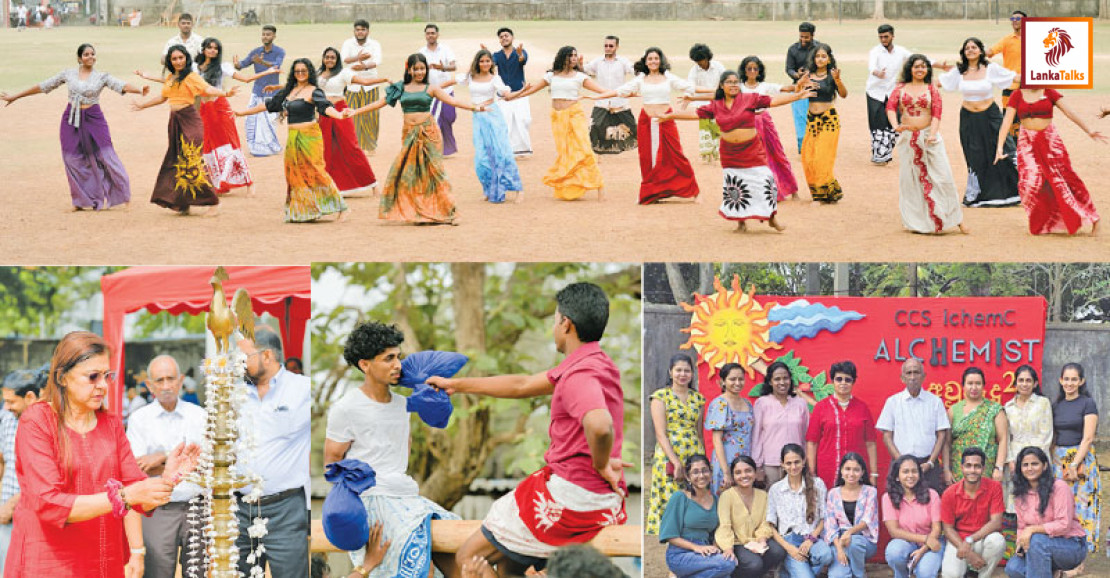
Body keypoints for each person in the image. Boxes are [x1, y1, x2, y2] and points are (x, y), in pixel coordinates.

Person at [428, 282, 629, 575]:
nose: (553, 327)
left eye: (554, 319)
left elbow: (599, 426)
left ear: (566, 324)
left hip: (574, 497)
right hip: (599, 498)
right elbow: (521, 384)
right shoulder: (595, 363)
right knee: (511, 568)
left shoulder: (579, 375)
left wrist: (601, 465)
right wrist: (456, 385)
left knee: (467, 559)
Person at [3, 331, 199, 575]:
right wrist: (124, 496)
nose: (103, 386)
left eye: (107, 376)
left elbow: (137, 489)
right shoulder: (38, 420)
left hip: (103, 560)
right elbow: (48, 503)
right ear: (63, 377)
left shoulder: (110, 424)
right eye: (93, 377)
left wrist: (168, 479)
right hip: (49, 561)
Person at [324, 321, 459, 578]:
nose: (398, 364)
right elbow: (331, 464)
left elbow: (402, 453)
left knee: (461, 554)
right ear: (365, 364)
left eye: (398, 356)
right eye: (388, 358)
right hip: (372, 500)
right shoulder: (346, 408)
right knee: (422, 568)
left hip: (408, 496)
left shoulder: (403, 404)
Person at [0, 43, 146, 211]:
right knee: (71, 159)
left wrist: (140, 90)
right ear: (79, 58)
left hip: (94, 119)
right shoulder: (68, 74)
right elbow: (43, 86)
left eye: (92, 54)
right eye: (86, 54)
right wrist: (16, 97)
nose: (90, 57)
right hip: (71, 119)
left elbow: (120, 85)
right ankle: (81, 200)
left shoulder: (101, 77)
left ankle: (121, 193)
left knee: (107, 156)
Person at [665, 70, 810, 231]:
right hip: (730, 153)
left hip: (752, 150)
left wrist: (796, 96)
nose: (733, 85)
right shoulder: (716, 105)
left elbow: (773, 101)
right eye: (729, 82)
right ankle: (741, 222)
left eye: (736, 82)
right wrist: (670, 116)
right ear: (722, 85)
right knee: (736, 187)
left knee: (764, 182)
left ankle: (771, 217)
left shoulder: (750, 98)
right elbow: (694, 114)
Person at [233, 326, 312, 578]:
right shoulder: (235, 394)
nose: (240, 363)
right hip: (241, 510)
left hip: (286, 510)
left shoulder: (303, 390)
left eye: (245, 357)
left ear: (267, 356)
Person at [235, 58, 352, 223]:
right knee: (294, 173)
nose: (300, 74)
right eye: (297, 71)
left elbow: (325, 107)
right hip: (293, 137)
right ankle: (305, 210)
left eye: (303, 71)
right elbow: (268, 105)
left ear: (309, 72)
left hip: (310, 136)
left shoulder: (314, 91)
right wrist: (242, 113)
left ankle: (341, 208)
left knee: (316, 171)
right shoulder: (289, 91)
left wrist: (339, 115)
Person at [125, 354, 206, 577]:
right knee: (157, 573)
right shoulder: (139, 419)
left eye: (171, 379)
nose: (166, 385)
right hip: (157, 510)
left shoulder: (199, 416)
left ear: (180, 381)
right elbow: (139, 469)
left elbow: (204, 464)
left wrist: (161, 456)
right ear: (149, 385)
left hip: (196, 507)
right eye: (159, 381)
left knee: (199, 573)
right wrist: (183, 465)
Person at [378, 53, 482, 224]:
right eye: (416, 68)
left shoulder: (431, 88)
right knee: (412, 174)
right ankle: (420, 212)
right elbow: (380, 103)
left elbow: (453, 102)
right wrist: (355, 111)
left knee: (436, 171)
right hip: (409, 133)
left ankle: (451, 213)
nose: (419, 72)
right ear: (409, 69)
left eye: (422, 68)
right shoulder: (400, 87)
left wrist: (476, 107)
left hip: (429, 133)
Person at [132, 45, 228, 215]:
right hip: (175, 121)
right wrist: (142, 105)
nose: (178, 61)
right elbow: (162, 97)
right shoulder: (171, 78)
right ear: (170, 61)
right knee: (177, 159)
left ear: (186, 59)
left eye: (181, 58)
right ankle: (182, 203)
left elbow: (207, 89)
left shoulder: (192, 77)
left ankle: (213, 202)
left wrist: (225, 93)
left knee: (192, 160)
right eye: (174, 59)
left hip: (190, 119)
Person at [995, 87, 1105, 236]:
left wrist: (1089, 130)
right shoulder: (1017, 95)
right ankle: (1046, 222)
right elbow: (1006, 121)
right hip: (1027, 142)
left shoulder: (1049, 92)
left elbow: (1070, 113)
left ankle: (1094, 218)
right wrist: (1000, 147)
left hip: (1050, 141)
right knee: (1029, 183)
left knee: (1066, 180)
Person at [604, 47, 706, 204]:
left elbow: (690, 88)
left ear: (661, 61)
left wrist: (717, 91)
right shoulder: (640, 79)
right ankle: (651, 193)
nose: (653, 61)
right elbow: (620, 91)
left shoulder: (668, 77)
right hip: (646, 121)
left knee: (676, 155)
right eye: (650, 59)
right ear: (645, 61)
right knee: (647, 158)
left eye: (656, 58)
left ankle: (693, 191)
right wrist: (596, 96)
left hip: (666, 120)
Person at [506, 46, 608, 201]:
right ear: (563, 57)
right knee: (565, 152)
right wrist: (516, 95)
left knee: (584, 149)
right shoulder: (551, 76)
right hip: (557, 117)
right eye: (571, 56)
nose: (574, 58)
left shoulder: (580, 77)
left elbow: (602, 91)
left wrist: (617, 94)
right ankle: (570, 186)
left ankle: (599, 186)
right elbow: (532, 90)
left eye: (575, 56)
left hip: (575, 115)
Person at [886, 55, 968, 235]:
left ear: (928, 70)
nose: (920, 70)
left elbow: (937, 113)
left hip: (929, 138)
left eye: (923, 67)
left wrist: (931, 134)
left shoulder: (932, 89)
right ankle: (916, 222)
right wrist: (895, 126)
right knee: (910, 180)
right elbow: (890, 107)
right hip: (908, 138)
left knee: (942, 177)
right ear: (910, 69)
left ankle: (957, 220)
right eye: (916, 67)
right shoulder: (900, 88)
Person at [936, 37, 1020, 208]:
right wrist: (913, 83)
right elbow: (939, 83)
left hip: (991, 116)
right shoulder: (959, 71)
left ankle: (1015, 192)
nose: (971, 50)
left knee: (1005, 149)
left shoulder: (991, 68)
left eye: (974, 47)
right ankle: (979, 195)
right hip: (969, 118)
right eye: (967, 48)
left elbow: (1014, 77)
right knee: (975, 155)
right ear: (963, 52)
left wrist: (1039, 76)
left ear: (981, 51)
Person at [193, 37, 271, 195]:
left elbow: (246, 79)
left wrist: (268, 71)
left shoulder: (223, 67)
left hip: (220, 109)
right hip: (204, 110)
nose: (213, 50)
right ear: (203, 49)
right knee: (208, 146)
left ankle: (249, 183)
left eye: (216, 48)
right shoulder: (195, 68)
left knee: (231, 145)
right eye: (210, 47)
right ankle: (218, 183)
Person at [1005, 447, 1088, 578]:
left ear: (1044, 466)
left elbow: (1064, 524)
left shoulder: (1059, 487)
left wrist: (1032, 529)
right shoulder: (1020, 494)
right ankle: (1055, 574)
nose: (1030, 468)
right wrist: (1020, 544)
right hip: (1037, 546)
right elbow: (1022, 527)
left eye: (1035, 464)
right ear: (1020, 469)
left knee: (1037, 541)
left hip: (1071, 545)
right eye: (1025, 465)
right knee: (1013, 568)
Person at [454, 49, 524, 203]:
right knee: (482, 158)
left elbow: (507, 95)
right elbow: (455, 80)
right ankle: (489, 189)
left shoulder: (495, 78)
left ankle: (518, 189)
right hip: (478, 118)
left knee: (502, 153)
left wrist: (522, 90)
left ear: (492, 63)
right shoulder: (470, 77)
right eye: (482, 61)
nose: (485, 64)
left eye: (488, 61)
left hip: (493, 116)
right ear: (477, 62)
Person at [316, 46, 388, 197]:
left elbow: (364, 82)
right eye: (327, 57)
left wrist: (384, 79)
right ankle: (327, 186)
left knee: (351, 146)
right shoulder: (317, 74)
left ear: (337, 60)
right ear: (323, 59)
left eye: (332, 57)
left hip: (341, 111)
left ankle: (373, 184)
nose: (329, 60)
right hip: (324, 112)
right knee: (325, 148)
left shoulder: (344, 73)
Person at [646, 354, 705, 535]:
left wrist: (702, 458)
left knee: (694, 492)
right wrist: (676, 461)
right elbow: (660, 433)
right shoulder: (660, 396)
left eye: (687, 370)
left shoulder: (698, 399)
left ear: (692, 374)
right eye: (678, 370)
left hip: (693, 451)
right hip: (669, 452)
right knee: (671, 493)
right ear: (671, 372)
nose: (682, 374)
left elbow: (699, 433)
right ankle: (670, 534)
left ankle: (691, 530)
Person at [876, 358, 951, 494]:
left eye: (916, 373)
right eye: (908, 373)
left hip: (928, 466)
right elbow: (887, 436)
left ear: (923, 377)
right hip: (900, 464)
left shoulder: (935, 402)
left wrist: (931, 462)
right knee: (898, 504)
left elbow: (941, 436)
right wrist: (901, 462)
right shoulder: (892, 402)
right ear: (902, 378)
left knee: (930, 505)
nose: (912, 377)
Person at [1049, 363, 1099, 554]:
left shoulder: (1087, 403)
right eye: (1066, 379)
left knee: (1082, 509)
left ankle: (1081, 558)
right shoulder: (1056, 406)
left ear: (1081, 381)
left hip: (1080, 461)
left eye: (1074, 379)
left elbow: (1088, 438)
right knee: (1061, 509)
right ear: (1061, 380)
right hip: (1058, 462)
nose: (1069, 383)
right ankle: (1064, 555)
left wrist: (1074, 464)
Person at [659, 454, 736, 578]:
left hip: (706, 551)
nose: (701, 475)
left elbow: (717, 531)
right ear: (688, 477)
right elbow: (669, 535)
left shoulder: (716, 500)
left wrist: (715, 547)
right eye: (695, 472)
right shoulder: (680, 498)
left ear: (710, 473)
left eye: (704, 471)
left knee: (725, 573)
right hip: (680, 554)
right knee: (727, 564)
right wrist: (696, 547)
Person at [805, 361, 878, 491]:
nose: (843, 383)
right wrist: (811, 473)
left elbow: (870, 443)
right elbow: (812, 442)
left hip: (855, 471)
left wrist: (873, 473)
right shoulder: (821, 408)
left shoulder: (862, 408)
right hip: (828, 469)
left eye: (847, 380)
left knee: (854, 505)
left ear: (853, 382)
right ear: (832, 381)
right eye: (839, 379)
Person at [738, 56, 802, 202]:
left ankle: (791, 189)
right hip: (747, 124)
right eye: (749, 68)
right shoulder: (739, 87)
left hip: (765, 122)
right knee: (755, 158)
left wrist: (800, 85)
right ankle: (764, 192)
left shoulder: (764, 86)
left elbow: (785, 88)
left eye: (755, 68)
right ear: (744, 71)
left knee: (777, 154)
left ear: (759, 70)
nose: (753, 71)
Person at [0, 368, 44, 574]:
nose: (6, 407)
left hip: (35, 516)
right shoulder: (7, 418)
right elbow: (3, 461)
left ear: (30, 397)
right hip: (6, 516)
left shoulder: (47, 425)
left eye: (11, 402)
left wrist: (11, 503)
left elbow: (40, 478)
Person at [767, 444, 833, 578]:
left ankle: (791, 571)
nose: (793, 467)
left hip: (811, 538)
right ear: (782, 464)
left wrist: (811, 540)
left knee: (826, 556)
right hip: (789, 540)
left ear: (803, 461)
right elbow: (770, 525)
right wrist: (788, 548)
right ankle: (794, 567)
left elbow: (823, 518)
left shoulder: (817, 484)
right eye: (788, 463)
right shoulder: (776, 489)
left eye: (797, 462)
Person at [939, 447, 1006, 578]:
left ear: (983, 468)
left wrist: (970, 540)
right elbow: (948, 529)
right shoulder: (949, 493)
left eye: (977, 466)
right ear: (962, 467)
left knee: (998, 541)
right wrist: (967, 551)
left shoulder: (994, 487)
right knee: (951, 575)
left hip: (982, 538)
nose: (972, 470)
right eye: (968, 466)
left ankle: (980, 575)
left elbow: (996, 523)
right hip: (958, 541)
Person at [715, 455, 785, 577]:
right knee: (754, 564)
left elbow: (766, 522)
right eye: (738, 473)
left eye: (748, 470)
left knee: (778, 552)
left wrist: (761, 540)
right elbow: (724, 525)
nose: (744, 476)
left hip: (757, 540)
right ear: (733, 476)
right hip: (736, 542)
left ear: (755, 472)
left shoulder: (763, 495)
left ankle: (756, 574)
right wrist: (728, 548)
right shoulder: (726, 496)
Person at [883, 455, 944, 578]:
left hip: (931, 545)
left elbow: (937, 529)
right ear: (897, 476)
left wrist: (923, 549)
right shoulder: (888, 497)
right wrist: (925, 539)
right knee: (894, 552)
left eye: (914, 471)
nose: (910, 475)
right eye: (905, 472)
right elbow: (894, 531)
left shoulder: (932, 494)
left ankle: (919, 566)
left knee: (925, 573)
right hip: (906, 543)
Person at [801, 43, 847, 204]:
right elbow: (798, 92)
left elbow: (843, 94)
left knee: (822, 157)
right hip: (812, 121)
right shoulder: (808, 75)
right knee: (808, 158)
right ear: (813, 59)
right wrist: (802, 84)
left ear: (828, 59)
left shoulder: (832, 75)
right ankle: (831, 192)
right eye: (817, 56)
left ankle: (820, 197)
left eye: (823, 56)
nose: (820, 59)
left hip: (829, 120)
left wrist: (838, 80)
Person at [1003, 365, 1053, 511]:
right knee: (1016, 499)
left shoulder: (1043, 403)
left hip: (1038, 457)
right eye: (1021, 380)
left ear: (1035, 383)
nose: (1024, 384)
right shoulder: (1008, 407)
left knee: (1038, 498)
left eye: (1028, 380)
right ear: (1015, 383)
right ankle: (1015, 532)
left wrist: (1034, 461)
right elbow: (1006, 437)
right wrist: (1011, 460)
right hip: (1015, 459)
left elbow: (1046, 434)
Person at [751, 361, 809, 485]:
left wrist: (806, 461)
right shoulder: (762, 403)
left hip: (796, 464)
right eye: (777, 379)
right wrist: (757, 466)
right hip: (771, 465)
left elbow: (806, 435)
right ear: (770, 382)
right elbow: (756, 436)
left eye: (785, 378)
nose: (782, 382)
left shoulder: (800, 403)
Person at [947, 367, 1008, 483]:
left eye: (978, 384)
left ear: (983, 386)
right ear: (963, 386)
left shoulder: (994, 410)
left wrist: (998, 467)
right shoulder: (953, 410)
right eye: (970, 383)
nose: (974, 387)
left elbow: (1003, 439)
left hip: (986, 469)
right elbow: (947, 443)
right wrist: (947, 469)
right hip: (959, 469)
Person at [824, 453, 879, 578]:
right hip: (839, 542)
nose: (851, 474)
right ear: (841, 471)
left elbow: (867, 520)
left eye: (856, 470)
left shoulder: (870, 491)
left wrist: (849, 533)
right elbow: (830, 526)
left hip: (864, 539)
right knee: (837, 576)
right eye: (847, 469)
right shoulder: (833, 494)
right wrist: (839, 549)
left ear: (862, 472)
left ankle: (859, 574)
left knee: (854, 542)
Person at [235, 25, 285, 157]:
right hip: (257, 91)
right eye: (263, 34)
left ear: (274, 36)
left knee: (269, 122)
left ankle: (270, 147)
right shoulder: (255, 52)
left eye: (268, 34)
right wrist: (237, 65)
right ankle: (256, 148)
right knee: (251, 119)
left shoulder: (280, 52)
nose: (265, 37)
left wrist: (261, 61)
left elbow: (276, 67)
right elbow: (243, 64)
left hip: (272, 92)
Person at [583, 36, 636, 155]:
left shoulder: (623, 62)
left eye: (611, 46)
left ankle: (618, 148)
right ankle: (596, 152)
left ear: (617, 47)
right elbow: (585, 70)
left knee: (630, 128)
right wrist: (580, 65)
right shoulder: (597, 61)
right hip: (601, 102)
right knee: (595, 127)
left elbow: (634, 71)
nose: (607, 48)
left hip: (619, 102)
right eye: (605, 45)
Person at [867, 24, 912, 165]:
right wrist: (877, 73)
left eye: (886, 36)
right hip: (875, 92)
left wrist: (940, 65)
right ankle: (879, 155)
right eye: (880, 37)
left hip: (893, 93)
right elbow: (871, 67)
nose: (883, 39)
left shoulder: (901, 51)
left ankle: (885, 152)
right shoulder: (875, 51)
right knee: (877, 124)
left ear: (893, 36)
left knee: (894, 124)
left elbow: (917, 59)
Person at [705, 363, 753, 494]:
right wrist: (726, 472)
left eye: (741, 379)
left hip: (745, 462)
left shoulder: (748, 404)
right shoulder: (720, 404)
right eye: (732, 379)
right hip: (725, 461)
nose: (737, 383)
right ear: (722, 382)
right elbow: (717, 440)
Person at [340, 19, 384, 155]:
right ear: (354, 31)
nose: (360, 32)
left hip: (370, 84)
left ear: (367, 31)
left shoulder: (374, 44)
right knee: (353, 115)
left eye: (363, 29)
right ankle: (356, 146)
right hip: (352, 84)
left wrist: (364, 66)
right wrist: (357, 58)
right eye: (358, 29)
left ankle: (371, 146)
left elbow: (377, 61)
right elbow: (344, 59)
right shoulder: (348, 43)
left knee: (371, 115)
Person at [491, 28, 532, 158]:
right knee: (504, 122)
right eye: (501, 37)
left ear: (512, 38)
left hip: (520, 92)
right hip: (504, 94)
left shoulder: (520, 52)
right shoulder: (497, 55)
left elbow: (522, 60)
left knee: (523, 120)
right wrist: (485, 54)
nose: (504, 38)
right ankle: (506, 150)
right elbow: (491, 65)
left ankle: (523, 149)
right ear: (499, 40)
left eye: (506, 36)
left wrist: (519, 55)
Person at [420, 23, 459, 157]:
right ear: (425, 35)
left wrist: (442, 68)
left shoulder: (445, 49)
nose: (430, 35)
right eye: (428, 33)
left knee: (449, 117)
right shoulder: (421, 52)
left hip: (446, 90)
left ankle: (446, 146)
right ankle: (435, 149)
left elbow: (454, 67)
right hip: (429, 92)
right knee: (432, 121)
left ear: (438, 35)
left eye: (433, 33)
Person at [686, 44, 726, 163]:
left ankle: (718, 152)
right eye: (697, 62)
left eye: (701, 61)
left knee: (718, 126)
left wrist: (718, 92)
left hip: (718, 101)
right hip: (702, 102)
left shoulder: (718, 66)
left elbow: (726, 81)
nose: (700, 64)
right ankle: (707, 154)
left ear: (707, 58)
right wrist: (712, 90)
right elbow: (692, 87)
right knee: (705, 129)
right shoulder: (693, 70)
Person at [785, 22, 818, 153]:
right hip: (798, 87)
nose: (803, 40)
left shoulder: (819, 49)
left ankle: (816, 145)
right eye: (801, 37)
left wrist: (810, 74)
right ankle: (803, 147)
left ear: (813, 35)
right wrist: (796, 74)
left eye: (806, 37)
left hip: (817, 87)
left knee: (815, 116)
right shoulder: (793, 49)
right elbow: (789, 69)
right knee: (800, 118)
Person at [986, 11, 1025, 109]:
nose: (1014, 21)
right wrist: (980, 51)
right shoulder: (1006, 40)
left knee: (1028, 118)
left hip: (1028, 86)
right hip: (1010, 84)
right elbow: (990, 52)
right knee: (1008, 118)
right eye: (1012, 19)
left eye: (1018, 19)